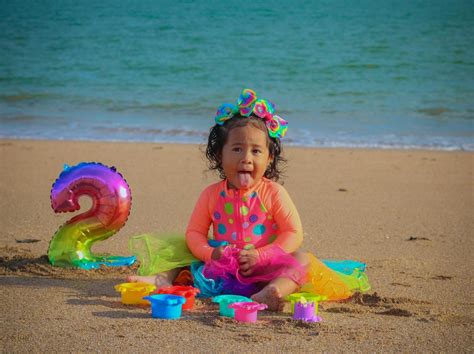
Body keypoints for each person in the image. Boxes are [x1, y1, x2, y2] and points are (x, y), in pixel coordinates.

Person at [128, 89, 369, 310]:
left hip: (266, 266)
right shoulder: (211, 195)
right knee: (181, 255)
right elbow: (195, 234)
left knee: (302, 260)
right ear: (219, 154)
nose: (246, 158)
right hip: (222, 266)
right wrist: (211, 254)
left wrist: (262, 256)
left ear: (270, 157)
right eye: (236, 149)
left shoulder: (273, 193)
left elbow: (293, 233)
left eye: (256, 151)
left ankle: (273, 291)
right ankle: (160, 279)